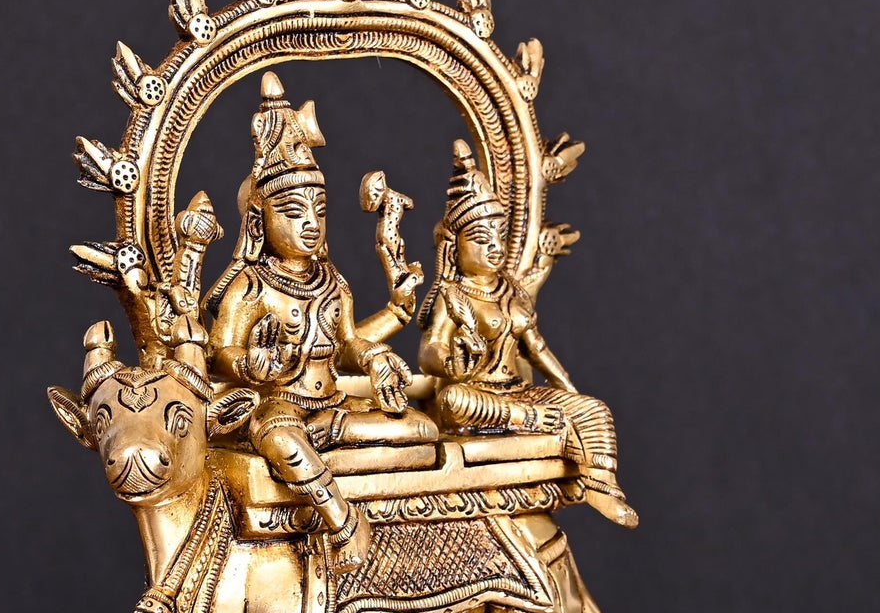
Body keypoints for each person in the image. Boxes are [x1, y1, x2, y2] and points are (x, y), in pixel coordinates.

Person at [207, 72, 435, 569]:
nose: (311, 223)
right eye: (294, 211)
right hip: (279, 409)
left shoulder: (332, 281)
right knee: (282, 440)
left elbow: (347, 343)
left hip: (334, 410)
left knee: (420, 430)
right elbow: (217, 351)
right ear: (259, 221)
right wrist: (249, 365)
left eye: (320, 209)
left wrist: (374, 357)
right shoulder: (250, 286)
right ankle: (344, 522)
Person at [419, 141, 636, 527]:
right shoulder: (452, 295)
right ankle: (536, 419)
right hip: (477, 394)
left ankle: (601, 484)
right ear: (454, 247)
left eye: (499, 237)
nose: (494, 248)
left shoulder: (512, 291)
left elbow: (537, 349)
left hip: (518, 390)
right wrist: (450, 363)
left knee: (595, 409)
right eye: (481, 239)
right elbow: (429, 349)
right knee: (453, 399)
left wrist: (568, 391)